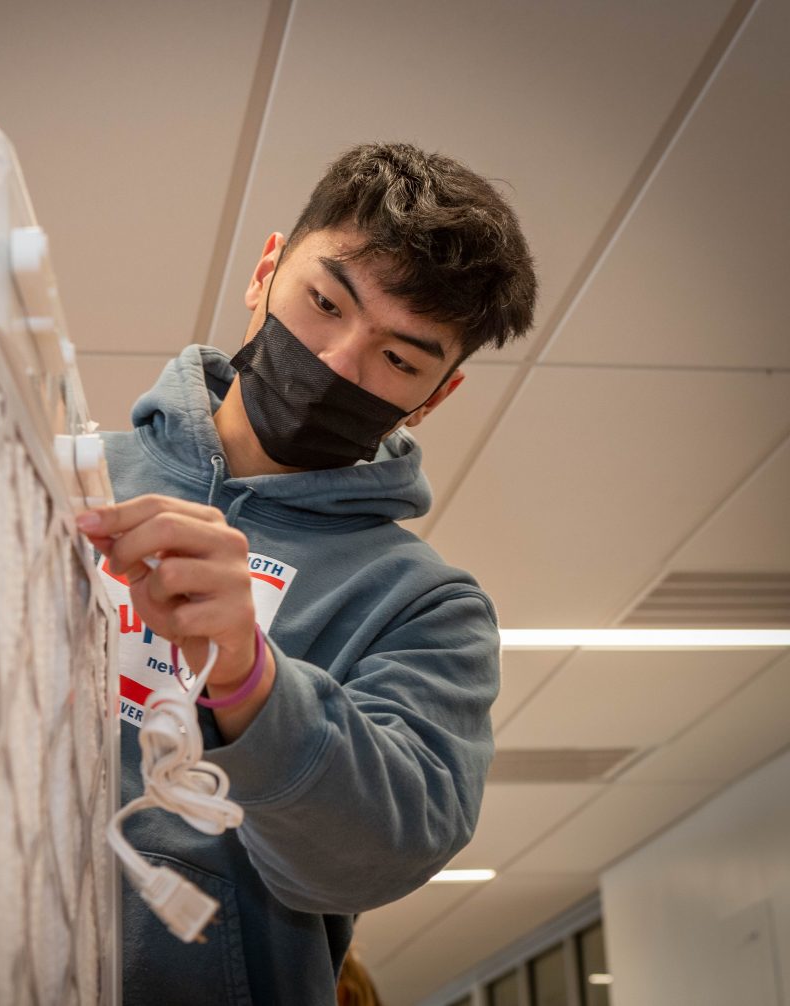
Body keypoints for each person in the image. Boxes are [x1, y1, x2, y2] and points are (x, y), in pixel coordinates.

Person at [76, 142, 537, 1005]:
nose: (334, 362)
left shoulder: (424, 606)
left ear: (434, 396)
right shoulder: (67, 479)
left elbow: (385, 849)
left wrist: (251, 678)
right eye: (324, 302)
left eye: (398, 360)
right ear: (265, 270)